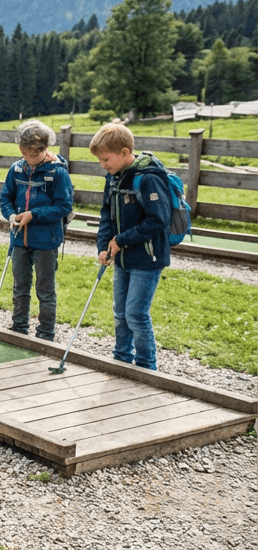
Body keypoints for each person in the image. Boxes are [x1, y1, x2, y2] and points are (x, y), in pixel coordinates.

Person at [92, 123, 171, 371]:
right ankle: (121, 359)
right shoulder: (113, 178)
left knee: (136, 314)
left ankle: (146, 367)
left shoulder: (149, 178)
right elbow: (106, 214)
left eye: (106, 159)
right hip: (122, 257)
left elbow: (158, 220)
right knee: (120, 313)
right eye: (100, 160)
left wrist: (121, 240)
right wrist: (104, 245)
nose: (102, 165)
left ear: (125, 152)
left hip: (147, 258)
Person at [0, 120, 74, 340]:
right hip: (18, 239)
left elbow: (64, 206)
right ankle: (19, 326)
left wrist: (34, 214)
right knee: (19, 286)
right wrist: (11, 215)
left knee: (45, 289)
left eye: (34, 154)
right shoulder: (16, 169)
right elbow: (6, 197)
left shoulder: (58, 172)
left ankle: (46, 332)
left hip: (46, 240)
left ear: (45, 148)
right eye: (25, 153)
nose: (29, 159)